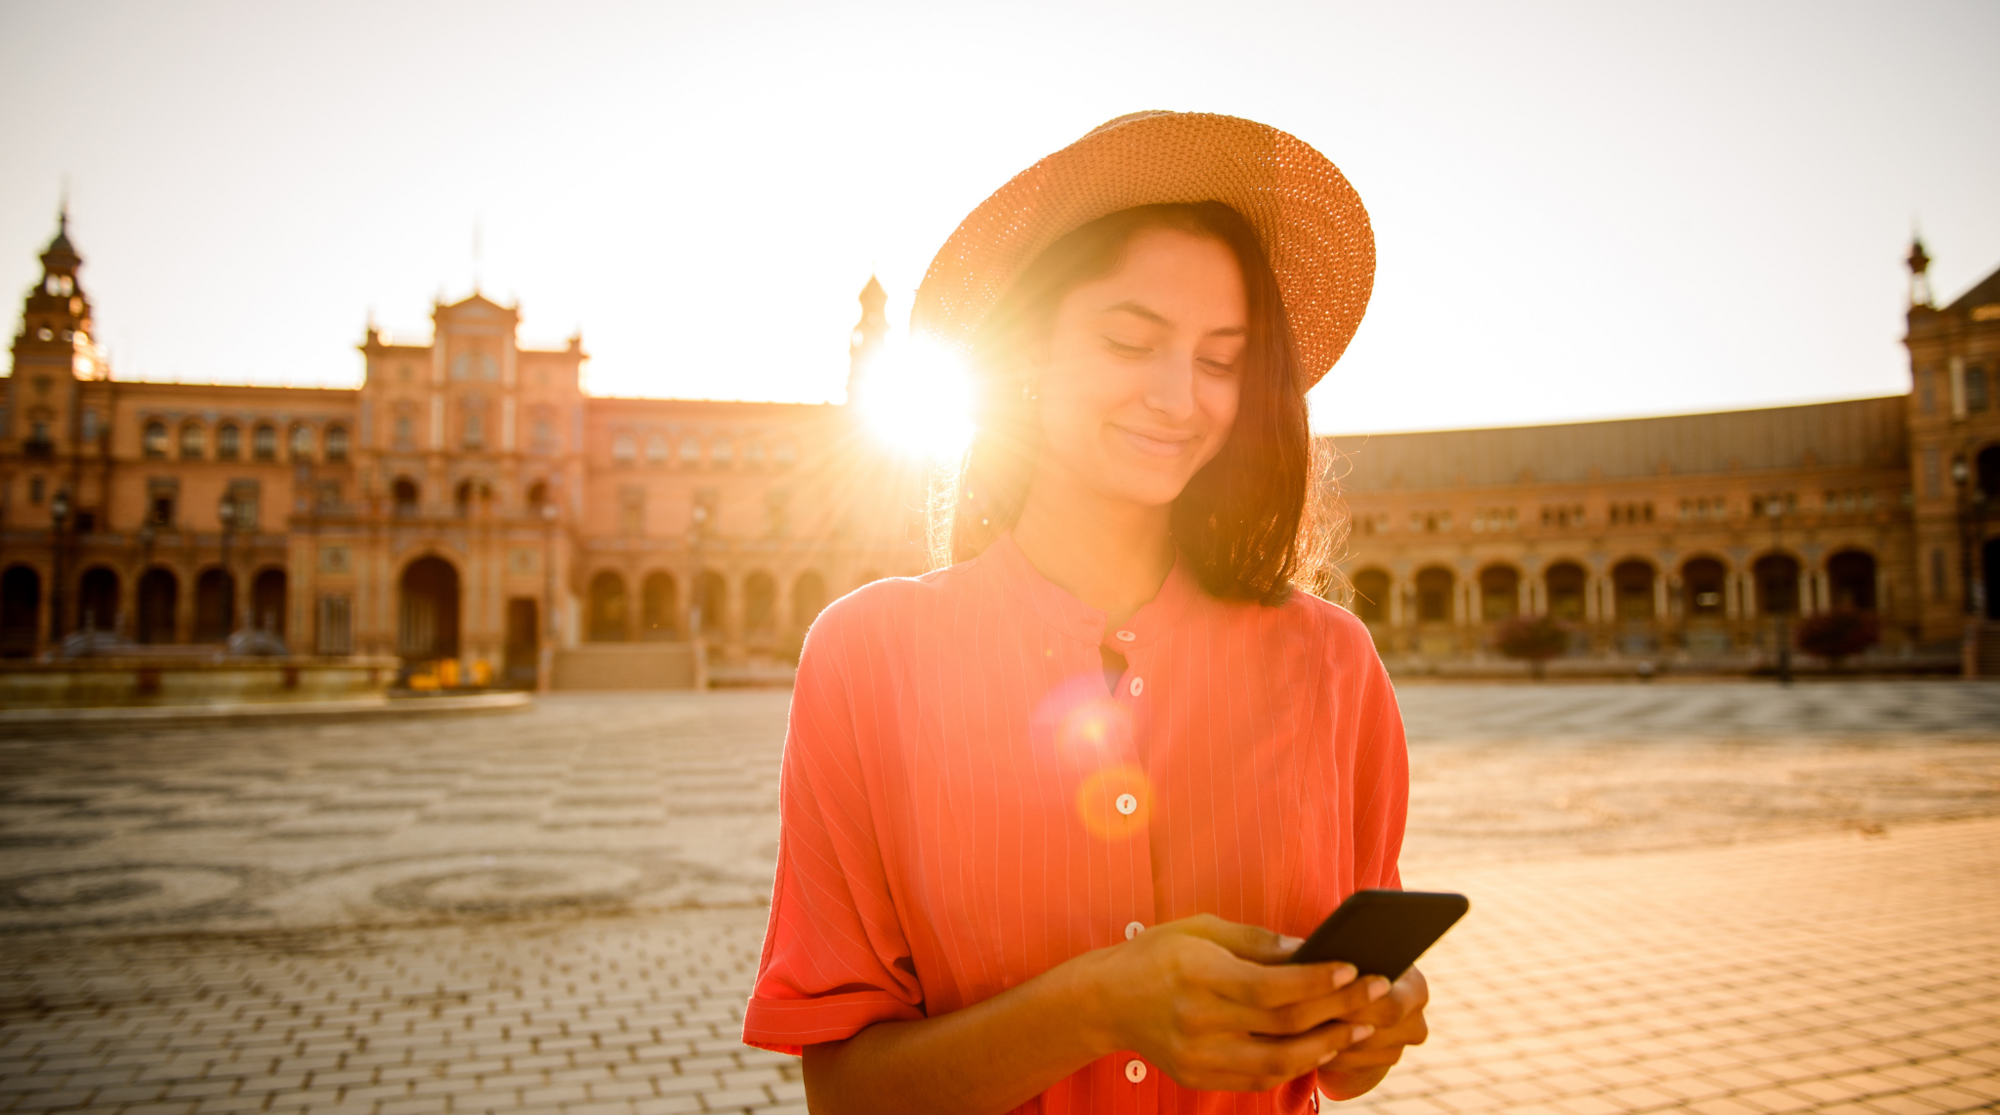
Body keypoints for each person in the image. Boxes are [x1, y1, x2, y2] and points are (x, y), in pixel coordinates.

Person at [743, 111, 1421, 1113]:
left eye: (1220, 359)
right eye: (1127, 340)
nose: (1177, 396)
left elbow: (1339, 1053)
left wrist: (1368, 1022)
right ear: (1022, 355)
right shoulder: (867, 654)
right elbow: (846, 1092)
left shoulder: (1329, 660)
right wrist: (1099, 1005)